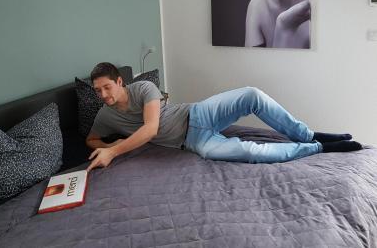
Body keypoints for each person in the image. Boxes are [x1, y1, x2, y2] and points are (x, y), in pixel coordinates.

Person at [86, 62, 362, 171]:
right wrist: (106, 147)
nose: (104, 95)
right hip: (193, 142)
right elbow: (91, 139)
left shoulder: (144, 88)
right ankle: (319, 147)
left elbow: (150, 129)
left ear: (120, 82)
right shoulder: (104, 115)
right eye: (98, 91)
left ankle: (308, 134)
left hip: (198, 112)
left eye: (107, 87)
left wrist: (115, 151)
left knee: (252, 94)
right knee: (252, 151)